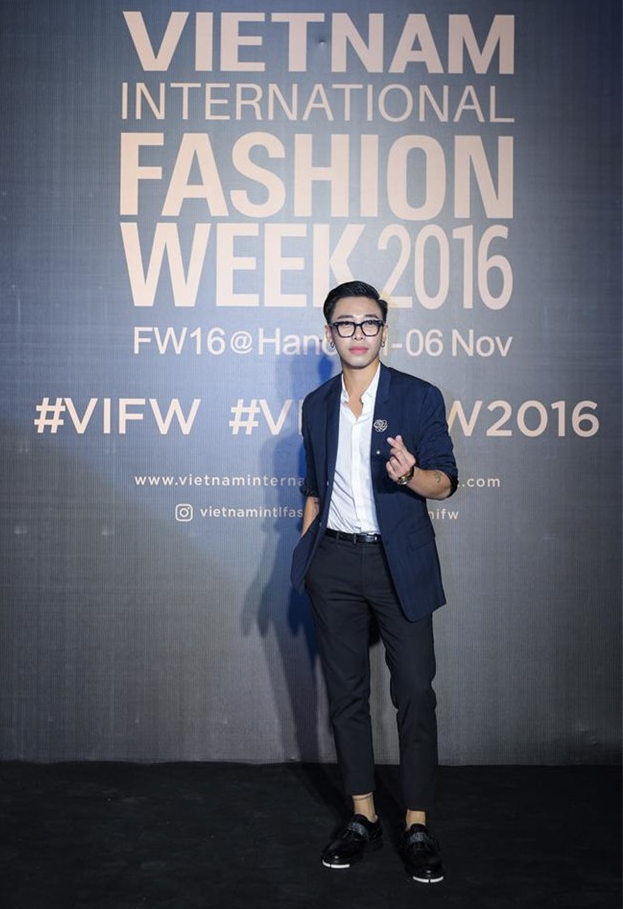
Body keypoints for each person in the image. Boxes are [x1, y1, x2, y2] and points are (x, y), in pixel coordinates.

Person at [291, 280, 458, 884]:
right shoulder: (316, 404)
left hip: (398, 564)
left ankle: (416, 823)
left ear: (384, 331)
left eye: (368, 323)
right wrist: (307, 560)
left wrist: (412, 475)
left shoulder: (419, 396)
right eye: (345, 324)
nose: (357, 334)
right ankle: (362, 816)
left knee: (414, 691)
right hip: (334, 563)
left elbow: (446, 482)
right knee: (346, 696)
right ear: (329, 333)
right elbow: (314, 488)